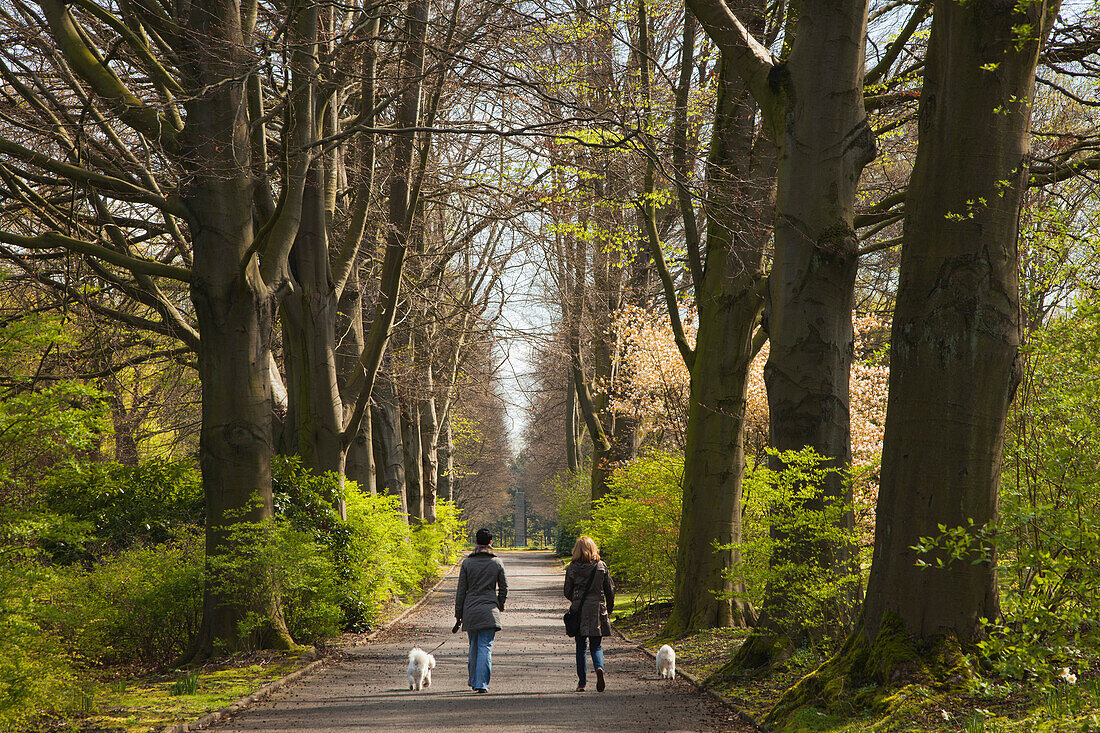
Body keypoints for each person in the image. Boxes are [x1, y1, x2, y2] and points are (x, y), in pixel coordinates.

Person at [455, 528, 508, 693]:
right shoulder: (497, 562)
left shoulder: (467, 563)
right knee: (485, 646)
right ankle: (481, 683)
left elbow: (461, 591)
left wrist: (459, 614)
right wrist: (499, 604)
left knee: (474, 646)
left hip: (470, 609)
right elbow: (504, 587)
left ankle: (472, 679)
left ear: (476, 542)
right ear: (490, 542)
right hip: (489, 610)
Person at [564, 535, 615, 692]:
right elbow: (610, 589)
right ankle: (599, 668)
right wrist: (609, 607)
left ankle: (582, 682)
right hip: (596, 609)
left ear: (576, 550)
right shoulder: (601, 566)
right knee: (596, 645)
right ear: (593, 549)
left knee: (580, 646)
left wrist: (576, 600)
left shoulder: (572, 568)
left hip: (579, 610)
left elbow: (567, 591)